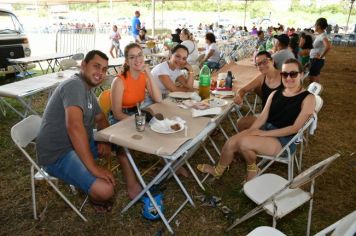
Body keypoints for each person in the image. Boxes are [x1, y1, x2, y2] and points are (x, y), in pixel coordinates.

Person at [197, 58, 315, 182]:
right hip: (268, 129)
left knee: (243, 143)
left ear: (301, 74)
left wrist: (263, 133)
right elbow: (263, 117)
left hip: (284, 141)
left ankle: (252, 169)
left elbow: (294, 128)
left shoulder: (308, 98)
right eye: (285, 74)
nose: (288, 77)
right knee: (231, 142)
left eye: (293, 74)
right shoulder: (275, 94)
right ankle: (218, 171)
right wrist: (251, 131)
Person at [36, 50, 115, 212]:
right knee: (106, 190)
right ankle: (94, 194)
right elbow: (74, 126)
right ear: (84, 65)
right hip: (57, 154)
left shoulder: (87, 91)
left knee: (117, 144)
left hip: (77, 145)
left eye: (104, 69)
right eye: (96, 66)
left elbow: (100, 119)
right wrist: (93, 168)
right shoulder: (74, 85)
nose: (100, 73)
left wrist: (103, 141)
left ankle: (87, 182)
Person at [110, 43, 162, 198]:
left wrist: (149, 73)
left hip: (137, 111)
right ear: (127, 61)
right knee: (122, 145)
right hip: (119, 116)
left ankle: (170, 163)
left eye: (140, 55)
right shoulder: (119, 81)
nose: (137, 59)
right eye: (132, 57)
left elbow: (158, 98)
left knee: (159, 124)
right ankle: (132, 185)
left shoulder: (144, 76)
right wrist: (139, 122)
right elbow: (117, 113)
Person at [234, 51, 283, 131]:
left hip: (281, 121)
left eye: (264, 61)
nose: (262, 66)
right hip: (266, 117)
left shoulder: (284, 77)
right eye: (258, 64)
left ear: (272, 61)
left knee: (241, 123)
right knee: (241, 122)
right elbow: (243, 89)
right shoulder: (262, 78)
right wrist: (239, 96)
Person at [309, 17, 331, 83]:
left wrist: (321, 56)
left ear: (318, 26)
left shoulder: (322, 36)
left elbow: (328, 46)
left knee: (312, 79)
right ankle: (316, 92)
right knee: (316, 76)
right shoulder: (321, 35)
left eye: (315, 25)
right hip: (316, 60)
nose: (314, 26)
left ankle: (312, 92)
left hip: (316, 60)